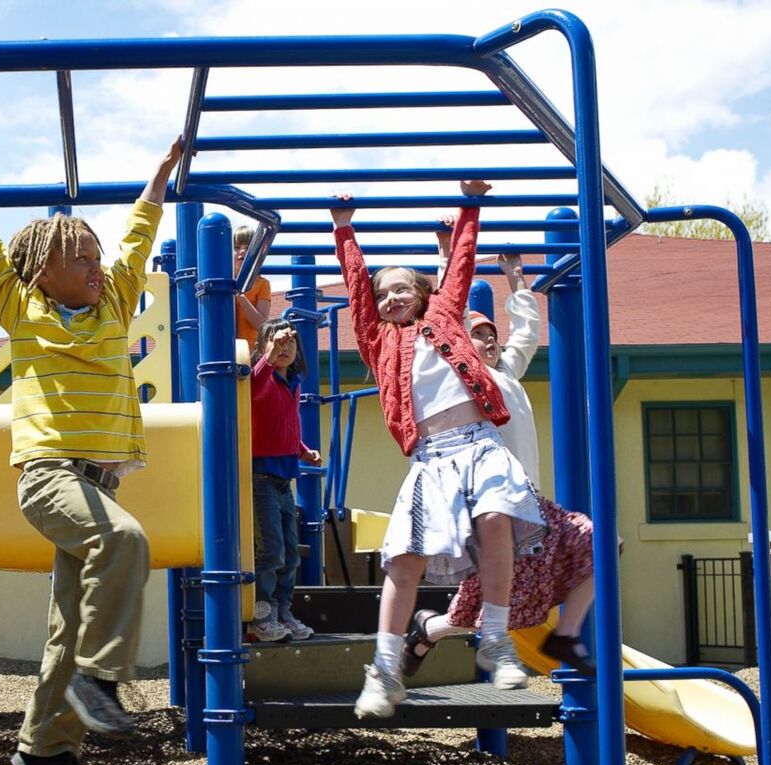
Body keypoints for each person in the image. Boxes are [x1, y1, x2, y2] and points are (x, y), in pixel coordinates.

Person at [0, 136, 184, 765]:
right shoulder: (23, 311)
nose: (94, 265)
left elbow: (139, 233)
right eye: (78, 258)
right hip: (48, 476)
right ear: (39, 273)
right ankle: (100, 676)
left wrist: (160, 174)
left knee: (66, 624)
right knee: (128, 543)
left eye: (94, 255)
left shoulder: (115, 304)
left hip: (98, 483)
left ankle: (45, 750)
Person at [330, 181, 546, 720]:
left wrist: (469, 206)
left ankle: (495, 641)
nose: (391, 298)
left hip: (480, 445)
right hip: (431, 459)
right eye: (385, 294)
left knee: (497, 518)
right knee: (404, 560)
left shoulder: (445, 318)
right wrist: (343, 228)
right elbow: (357, 290)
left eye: (403, 289)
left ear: (424, 296)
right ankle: (384, 669)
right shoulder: (379, 340)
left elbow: (461, 267)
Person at [403, 251, 595, 676]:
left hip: (526, 502)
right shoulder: (458, 381)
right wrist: (445, 254)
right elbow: (443, 314)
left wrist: (516, 279)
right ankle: (428, 629)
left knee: (598, 545)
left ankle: (566, 634)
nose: (489, 342)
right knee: (485, 605)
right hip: (484, 506)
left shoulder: (507, 371)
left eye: (492, 336)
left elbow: (526, 333)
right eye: (479, 337)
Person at [246, 318, 322, 643]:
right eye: (278, 342)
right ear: (263, 348)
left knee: (290, 553)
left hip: (283, 479)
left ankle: (282, 612)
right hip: (261, 477)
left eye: (290, 343)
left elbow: (285, 428)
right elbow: (252, 389)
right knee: (271, 551)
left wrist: (303, 451)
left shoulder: (292, 385)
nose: (285, 347)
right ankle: (261, 618)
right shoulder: (261, 380)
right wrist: (269, 356)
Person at [232, 225, 273, 347]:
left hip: (249, 351)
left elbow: (261, 324)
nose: (242, 252)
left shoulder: (261, 284)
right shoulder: (222, 281)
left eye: (248, 247)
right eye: (237, 247)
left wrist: (239, 295)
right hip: (223, 349)